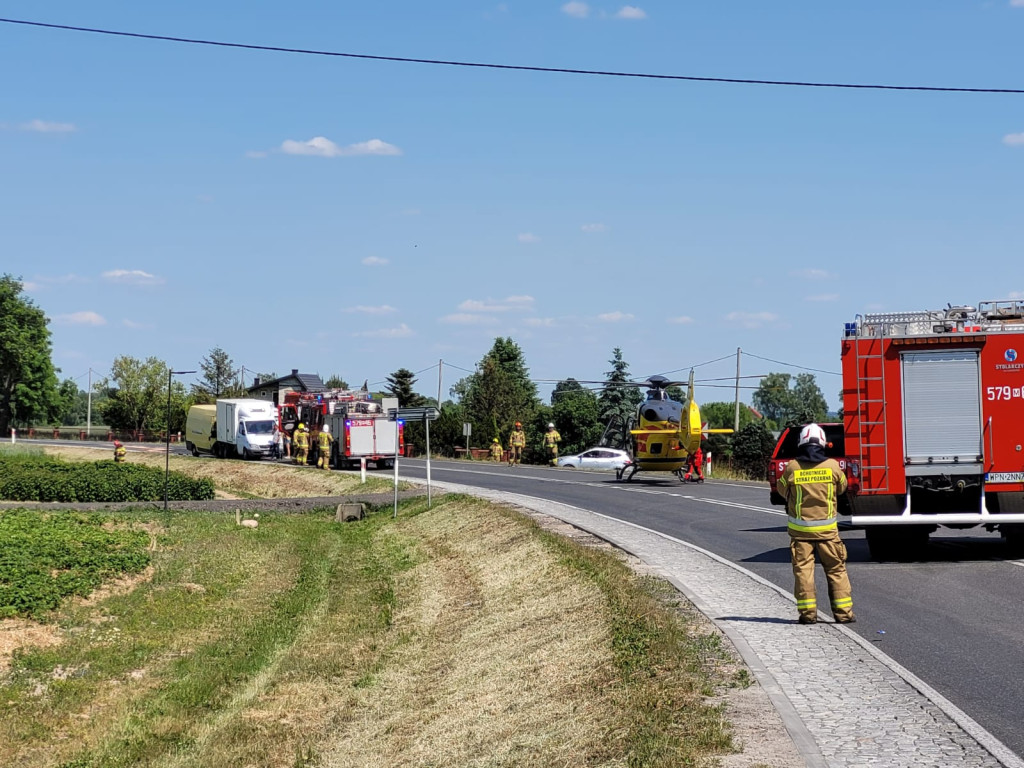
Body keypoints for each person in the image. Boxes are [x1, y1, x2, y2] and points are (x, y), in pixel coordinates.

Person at [776, 423, 854, 625]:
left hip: (800, 532)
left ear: (801, 443)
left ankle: (808, 614)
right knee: (836, 571)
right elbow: (842, 488)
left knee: (803, 572)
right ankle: (844, 614)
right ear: (822, 443)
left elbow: (782, 490)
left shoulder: (793, 467)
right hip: (828, 532)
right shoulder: (832, 466)